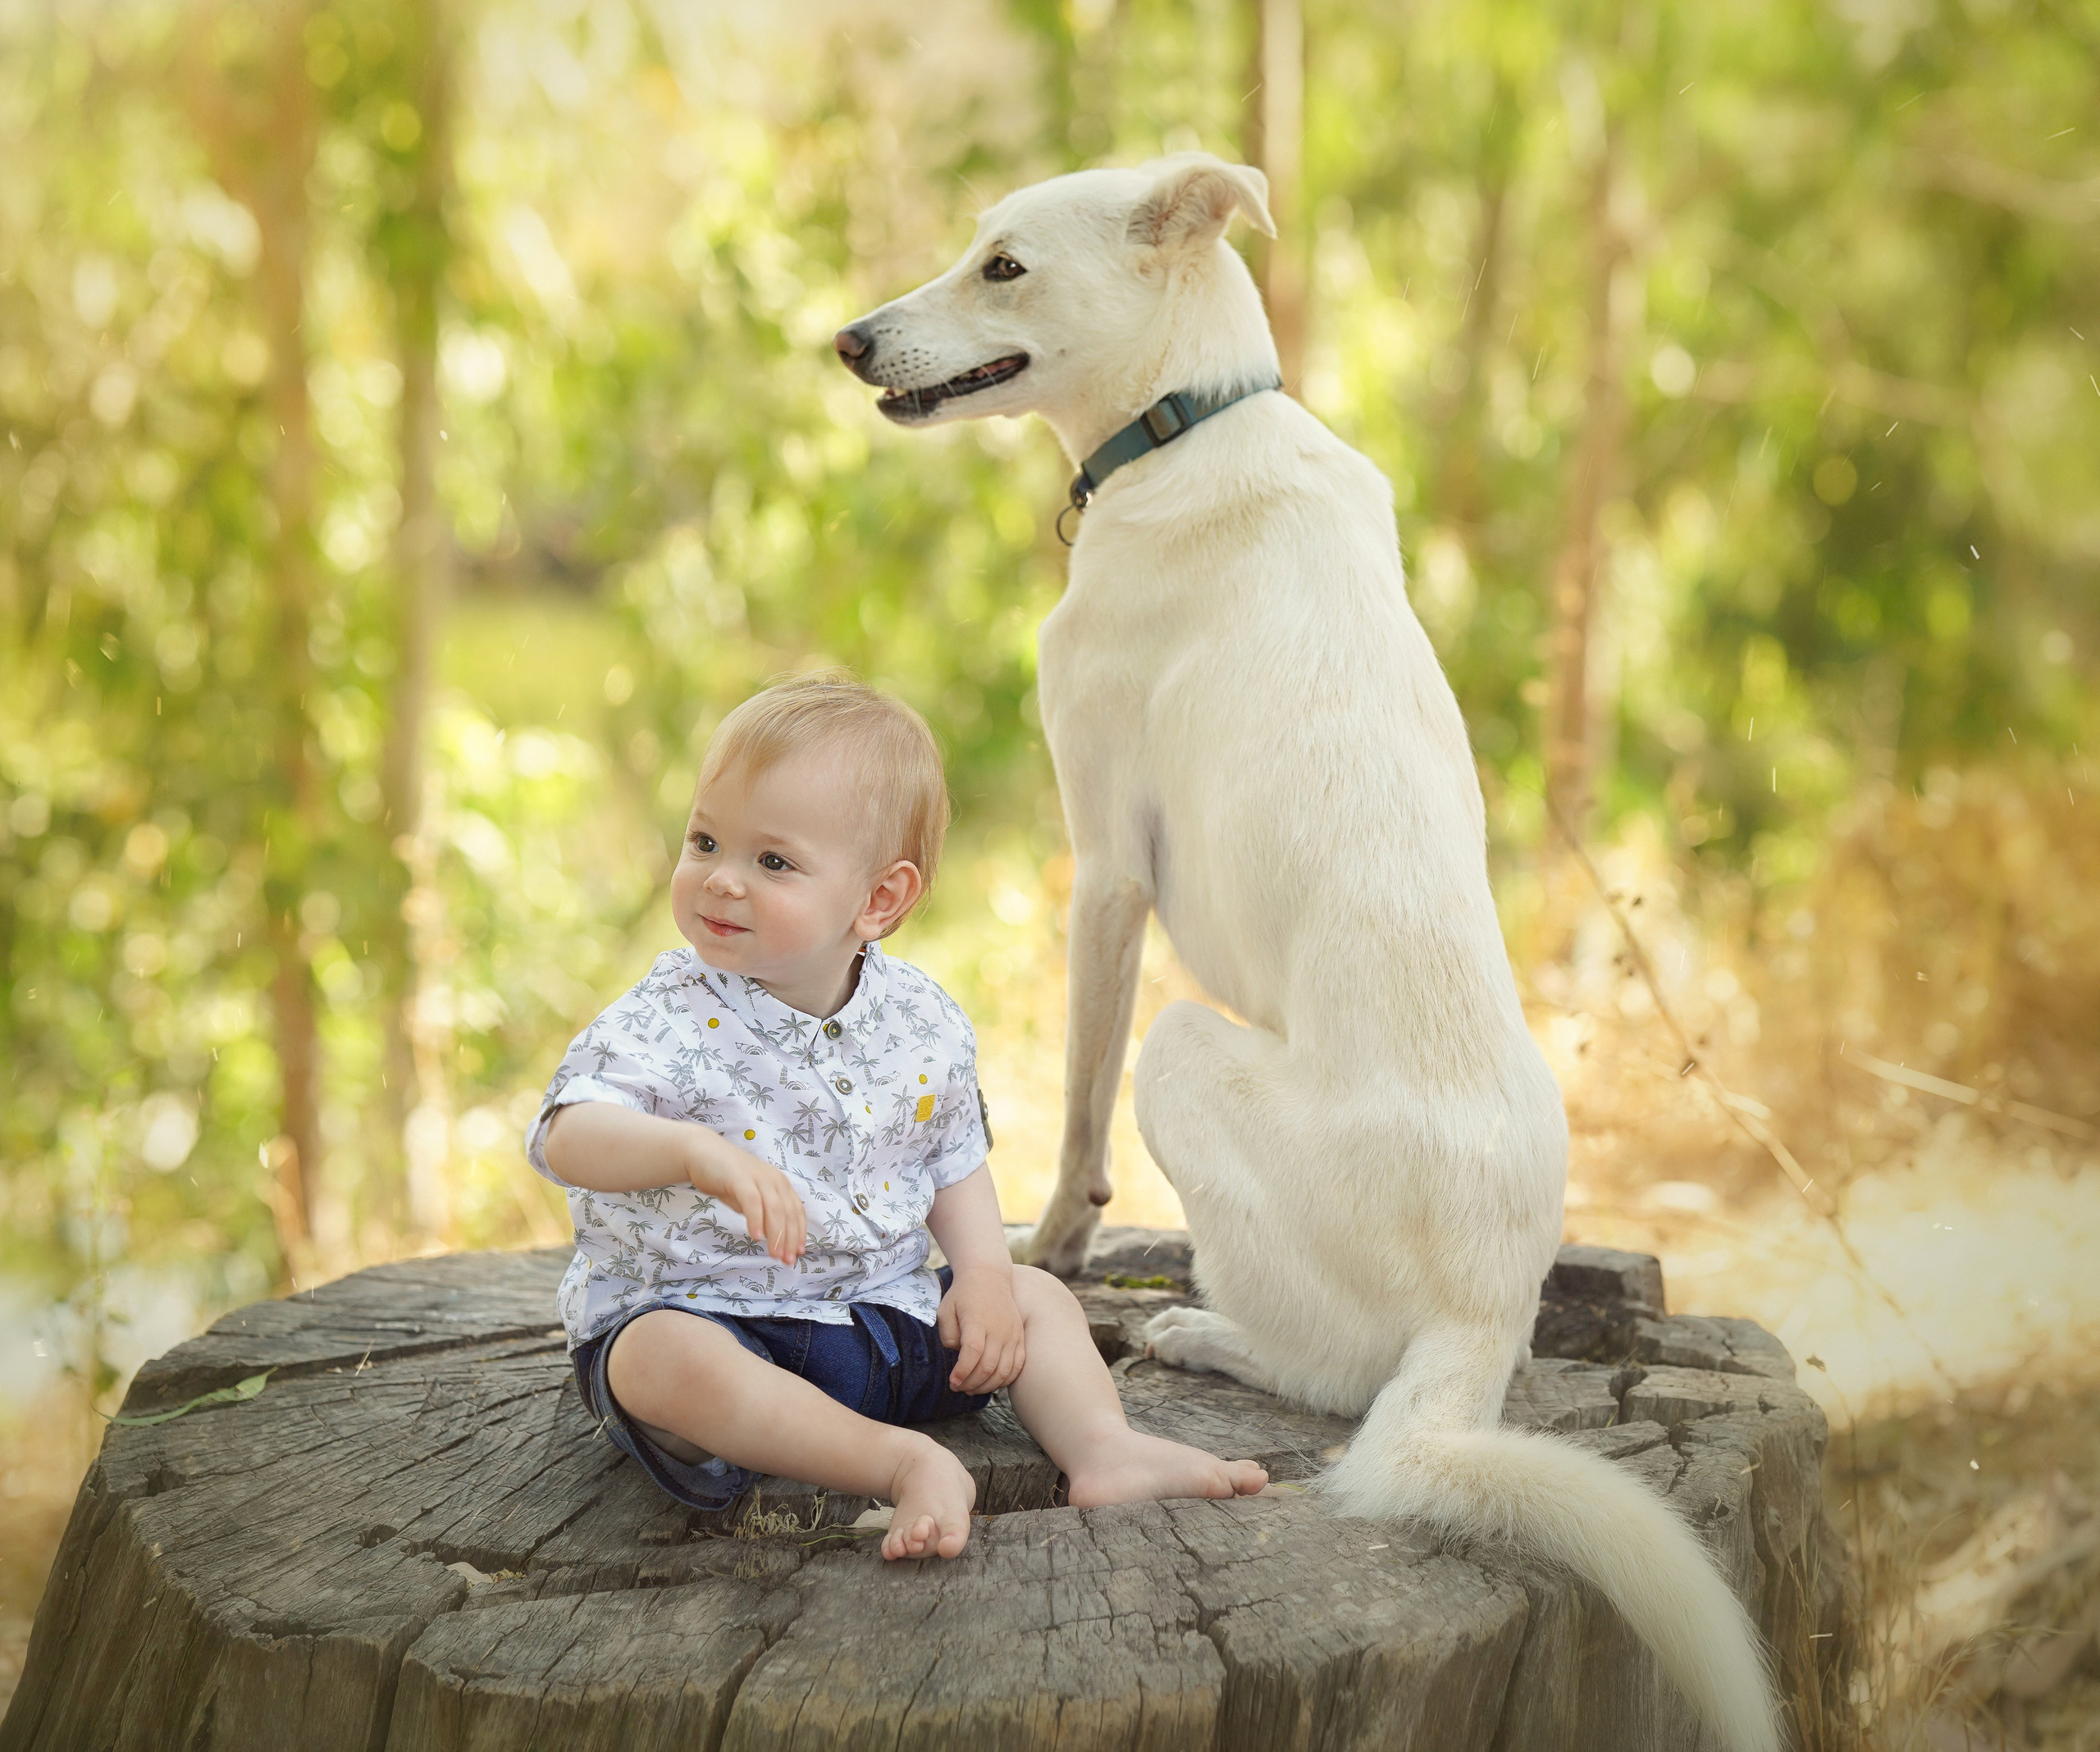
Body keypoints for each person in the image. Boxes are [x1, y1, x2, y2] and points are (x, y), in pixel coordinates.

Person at [529, 671, 1267, 1559]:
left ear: (878, 900)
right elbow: (568, 1134)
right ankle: (898, 1462)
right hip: (722, 1323)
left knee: (1034, 1297)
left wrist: (985, 1279)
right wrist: (690, 1151)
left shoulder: (916, 1020)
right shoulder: (666, 1015)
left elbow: (952, 1159)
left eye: (771, 861)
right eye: (705, 840)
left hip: (886, 1316)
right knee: (652, 1360)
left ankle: (1101, 1449)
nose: (721, 881)